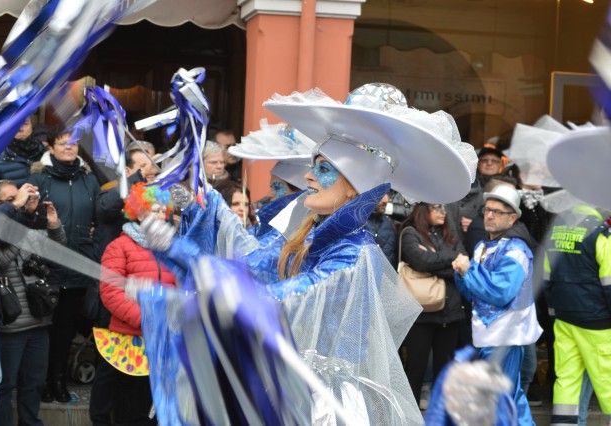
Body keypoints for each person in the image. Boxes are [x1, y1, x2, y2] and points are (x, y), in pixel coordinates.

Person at [141, 84, 476, 424]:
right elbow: (252, 261)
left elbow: (283, 300)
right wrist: (194, 213)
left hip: (323, 405)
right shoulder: (310, 236)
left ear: (353, 186)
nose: (307, 176)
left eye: (324, 169)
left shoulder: (353, 255)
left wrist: (180, 268)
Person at [452, 184, 543, 426]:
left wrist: (467, 271)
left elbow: (500, 292)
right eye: (487, 210)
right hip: (489, 334)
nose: (490, 215)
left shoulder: (516, 251)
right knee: (509, 398)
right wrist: (462, 274)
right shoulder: (484, 246)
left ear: (512, 217)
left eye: (498, 212)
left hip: (505, 335)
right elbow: (472, 292)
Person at [27, 124, 101, 403]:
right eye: (62, 143)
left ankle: (58, 380)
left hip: (79, 261)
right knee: (44, 327)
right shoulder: (39, 177)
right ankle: (42, 381)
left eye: (73, 143)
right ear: (50, 147)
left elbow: (98, 217)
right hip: (47, 263)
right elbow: (28, 217)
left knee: (66, 327)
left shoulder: (88, 179)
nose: (69, 148)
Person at [96, 183, 177, 425]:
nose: (161, 215)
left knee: (160, 409)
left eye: (163, 210)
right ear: (138, 212)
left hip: (166, 341)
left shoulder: (174, 249)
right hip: (132, 343)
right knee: (132, 409)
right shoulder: (119, 247)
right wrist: (147, 320)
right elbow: (111, 292)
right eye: (154, 209)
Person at [0, 180, 66, 426]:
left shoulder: (29, 225)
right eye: (11, 200)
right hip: (10, 325)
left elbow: (56, 251)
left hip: (38, 320)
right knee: (4, 384)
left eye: (19, 198)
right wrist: (21, 229)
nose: (18, 205)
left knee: (33, 382)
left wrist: (54, 226)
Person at [544, 204, 611, 425]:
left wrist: (555, 313)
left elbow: (547, 278)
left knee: (567, 381)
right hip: (597, 323)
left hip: (564, 319)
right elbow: (609, 283)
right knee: (607, 382)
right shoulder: (601, 233)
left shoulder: (556, 230)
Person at [399, 202, 466, 408]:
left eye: (445, 208)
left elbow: (463, 264)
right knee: (416, 369)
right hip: (422, 312)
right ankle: (409, 419)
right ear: (422, 209)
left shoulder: (450, 233)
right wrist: (451, 260)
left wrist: (434, 264)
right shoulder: (410, 233)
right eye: (437, 207)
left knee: (444, 371)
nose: (443, 212)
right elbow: (421, 262)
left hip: (451, 311)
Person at [0, 116, 47, 187]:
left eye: (25, 123)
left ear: (32, 125)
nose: (20, 129)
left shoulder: (41, 148)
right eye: (15, 124)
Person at [368, 192, 398, 267]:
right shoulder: (356, 220)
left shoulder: (388, 224)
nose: (386, 200)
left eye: (387, 194)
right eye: (381, 192)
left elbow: (389, 256)